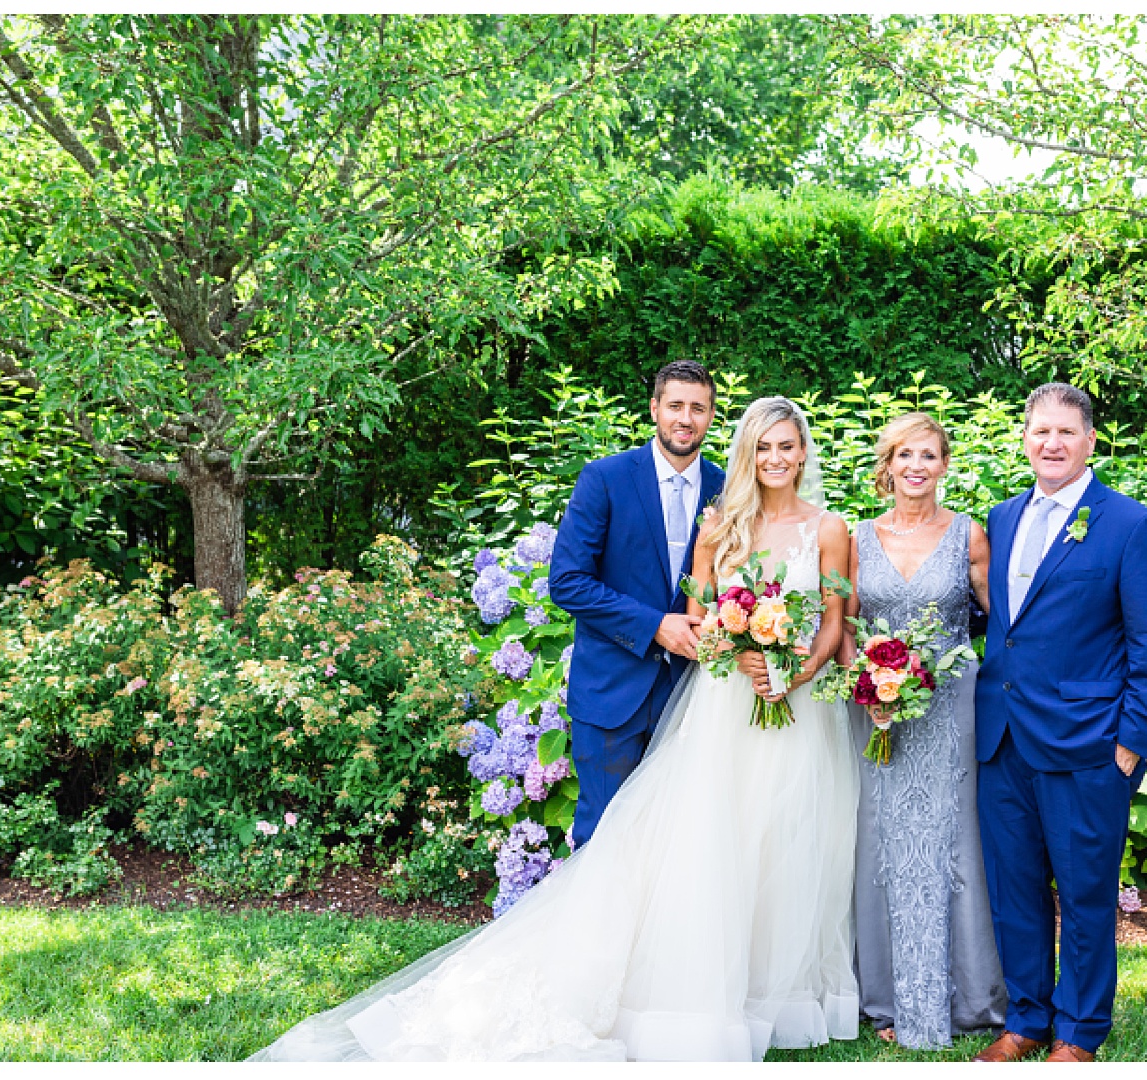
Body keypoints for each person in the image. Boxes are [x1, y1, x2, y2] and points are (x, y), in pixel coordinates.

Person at [250, 396, 860, 1062]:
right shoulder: (720, 525)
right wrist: (734, 643)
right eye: (763, 447)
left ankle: (772, 996)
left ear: (804, 451)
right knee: (704, 845)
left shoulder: (829, 530)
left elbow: (834, 622)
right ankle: (663, 985)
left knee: (783, 844)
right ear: (745, 451)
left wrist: (790, 673)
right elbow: (699, 614)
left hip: (795, 710)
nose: (775, 459)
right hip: (720, 709)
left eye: (787, 446)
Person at [972, 383, 1147, 1063]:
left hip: (1089, 747)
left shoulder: (1129, 525)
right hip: (1003, 738)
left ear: (1091, 440)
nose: (1052, 444)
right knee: (1014, 889)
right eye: (1041, 432)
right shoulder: (1000, 519)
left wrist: (1132, 745)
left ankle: (1080, 1030)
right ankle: (1027, 1018)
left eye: (1067, 432)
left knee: (1086, 896)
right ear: (1025, 439)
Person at [838, 413, 1006, 1048]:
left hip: (949, 712)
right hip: (877, 713)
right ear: (888, 464)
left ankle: (968, 999)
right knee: (882, 839)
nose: (917, 466)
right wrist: (868, 687)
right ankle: (884, 999)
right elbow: (848, 625)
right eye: (905, 454)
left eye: (929, 455)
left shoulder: (971, 537)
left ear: (943, 465)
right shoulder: (858, 538)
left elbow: (997, 621)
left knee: (952, 841)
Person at [546, 360, 725, 845]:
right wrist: (653, 625)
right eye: (675, 406)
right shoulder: (605, 479)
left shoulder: (725, 489)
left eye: (698, 408)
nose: (685, 418)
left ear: (711, 416)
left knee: (676, 846)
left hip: (691, 696)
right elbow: (566, 581)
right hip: (612, 692)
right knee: (602, 841)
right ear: (654, 409)